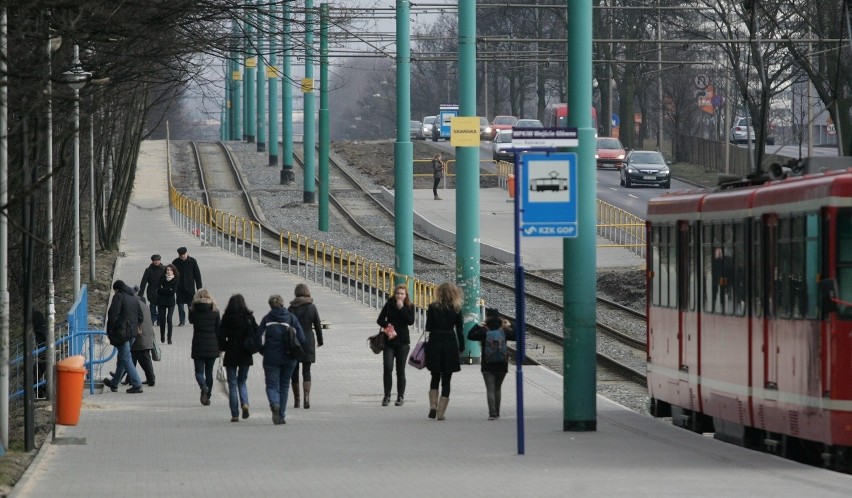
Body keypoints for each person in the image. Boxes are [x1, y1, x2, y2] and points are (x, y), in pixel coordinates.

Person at [256, 294, 305, 425]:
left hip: (271, 358)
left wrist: (263, 351)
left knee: (272, 385)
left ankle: (274, 403)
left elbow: (258, 338)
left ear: (270, 305)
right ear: (282, 304)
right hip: (289, 358)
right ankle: (281, 416)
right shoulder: (291, 318)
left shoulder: (266, 319)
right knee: (284, 386)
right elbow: (302, 338)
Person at [424, 282, 465, 420]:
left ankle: (433, 406)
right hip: (450, 344)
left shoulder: (432, 307)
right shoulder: (457, 308)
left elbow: (428, 327)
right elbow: (459, 330)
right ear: (454, 294)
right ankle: (441, 413)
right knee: (446, 379)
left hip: (435, 342)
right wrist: (462, 347)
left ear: (439, 293)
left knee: (434, 376)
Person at [467, 308, 515, 420]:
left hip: (487, 364)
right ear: (500, 318)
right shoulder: (504, 331)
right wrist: (510, 324)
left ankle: (492, 414)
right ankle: (497, 412)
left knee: (490, 389)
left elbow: (470, 335)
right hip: (502, 364)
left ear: (487, 318)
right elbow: (518, 336)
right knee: (498, 388)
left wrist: (477, 326)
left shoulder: (484, 331)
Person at [218, 294, 257, 422]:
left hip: (231, 352)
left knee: (232, 384)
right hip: (246, 353)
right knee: (242, 381)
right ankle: (245, 403)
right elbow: (256, 332)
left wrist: (222, 348)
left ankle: (235, 414)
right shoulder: (249, 317)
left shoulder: (227, 317)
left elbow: (221, 335)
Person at [375, 283, 415, 406]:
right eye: (397, 293)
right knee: (387, 368)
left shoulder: (409, 306)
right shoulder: (389, 304)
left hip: (403, 342)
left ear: (405, 295)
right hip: (389, 341)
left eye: (402, 294)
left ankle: (400, 396)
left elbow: (410, 321)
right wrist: (387, 325)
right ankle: (387, 396)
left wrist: (402, 308)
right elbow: (379, 319)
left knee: (400, 370)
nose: (399, 296)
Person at [103, 280, 145, 394]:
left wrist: (110, 330)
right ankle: (114, 383)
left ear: (116, 289)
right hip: (132, 333)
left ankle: (137, 384)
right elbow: (141, 317)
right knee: (123, 357)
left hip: (122, 333)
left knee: (126, 358)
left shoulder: (118, 297)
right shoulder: (134, 297)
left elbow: (113, 315)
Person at [288, 283, 324, 409]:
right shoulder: (312, 307)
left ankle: (297, 400)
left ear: (296, 293)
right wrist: (320, 340)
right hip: (308, 341)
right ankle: (306, 398)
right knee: (307, 371)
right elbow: (318, 326)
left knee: (294, 371)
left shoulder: (291, 308)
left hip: (295, 342)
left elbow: (287, 326)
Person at [189, 289, 221, 406]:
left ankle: (203, 386)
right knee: (209, 372)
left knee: (199, 371)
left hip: (198, 345)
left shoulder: (193, 310)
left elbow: (191, 321)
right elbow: (219, 330)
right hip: (212, 346)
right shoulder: (215, 310)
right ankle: (207, 396)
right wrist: (221, 346)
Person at [130, 293, 157, 387]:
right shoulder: (143, 304)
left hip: (141, 335)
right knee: (134, 357)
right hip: (146, 334)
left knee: (143, 358)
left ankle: (151, 378)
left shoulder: (134, 305)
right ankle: (128, 378)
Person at [172, 246, 202, 326]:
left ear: (186, 253)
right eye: (181, 255)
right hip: (180, 288)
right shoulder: (175, 262)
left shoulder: (192, 261)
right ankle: (182, 321)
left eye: (184, 254)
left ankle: (191, 319)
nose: (182, 256)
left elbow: (197, 275)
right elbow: (172, 275)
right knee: (180, 306)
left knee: (191, 306)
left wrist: (199, 288)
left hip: (190, 288)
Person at [138, 254, 165, 325]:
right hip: (151, 289)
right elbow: (144, 282)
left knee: (161, 305)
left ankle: (160, 320)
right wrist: (141, 293)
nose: (156, 262)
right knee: (152, 305)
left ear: (160, 260)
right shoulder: (148, 270)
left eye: (158, 260)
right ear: (152, 261)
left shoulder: (164, 269)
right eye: (155, 260)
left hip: (161, 289)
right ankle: (152, 319)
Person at [156, 264, 180, 344]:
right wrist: (168, 289)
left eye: (170, 270)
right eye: (167, 270)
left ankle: (169, 337)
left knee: (169, 319)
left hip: (171, 302)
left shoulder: (176, 279)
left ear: (173, 271)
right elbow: (159, 289)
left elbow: (173, 291)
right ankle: (162, 335)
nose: (168, 271)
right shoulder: (162, 278)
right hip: (161, 301)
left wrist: (164, 289)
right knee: (162, 319)